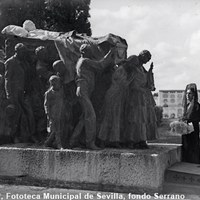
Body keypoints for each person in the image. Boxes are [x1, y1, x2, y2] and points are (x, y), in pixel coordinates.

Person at [70, 44, 114, 150]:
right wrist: (110, 53)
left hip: (85, 91)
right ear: (84, 52)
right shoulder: (85, 61)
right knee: (91, 116)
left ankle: (73, 141)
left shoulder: (85, 60)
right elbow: (100, 65)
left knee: (83, 118)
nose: (92, 53)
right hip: (83, 91)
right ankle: (90, 143)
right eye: (89, 51)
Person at [124, 50, 157, 149]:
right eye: (146, 58)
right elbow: (126, 69)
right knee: (134, 118)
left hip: (141, 95)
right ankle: (131, 140)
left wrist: (150, 72)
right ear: (142, 55)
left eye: (148, 60)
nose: (146, 61)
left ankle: (141, 139)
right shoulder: (134, 61)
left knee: (142, 119)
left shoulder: (141, 67)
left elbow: (146, 77)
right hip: (134, 95)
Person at [4, 43, 35, 143]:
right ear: (17, 52)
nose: (24, 54)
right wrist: (9, 94)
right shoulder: (10, 62)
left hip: (23, 92)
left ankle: (28, 134)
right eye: (22, 52)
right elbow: (7, 79)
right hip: (14, 92)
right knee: (17, 115)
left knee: (28, 113)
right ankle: (14, 136)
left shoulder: (24, 62)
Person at [97, 60, 131, 148]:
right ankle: (102, 139)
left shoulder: (123, 70)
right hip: (113, 94)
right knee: (108, 117)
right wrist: (130, 80)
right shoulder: (121, 70)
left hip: (118, 95)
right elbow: (121, 82)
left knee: (116, 118)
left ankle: (114, 140)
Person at [44, 75, 67, 149]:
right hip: (53, 114)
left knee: (56, 129)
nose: (54, 85)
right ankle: (59, 144)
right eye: (52, 84)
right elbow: (46, 104)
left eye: (56, 83)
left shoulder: (61, 91)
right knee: (57, 130)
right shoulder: (48, 93)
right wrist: (48, 114)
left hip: (61, 112)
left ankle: (47, 142)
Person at [182, 83, 200, 163]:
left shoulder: (197, 106)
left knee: (193, 153)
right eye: (186, 93)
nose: (187, 95)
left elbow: (196, 120)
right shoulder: (188, 105)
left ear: (194, 94)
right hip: (186, 133)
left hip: (193, 134)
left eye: (189, 93)